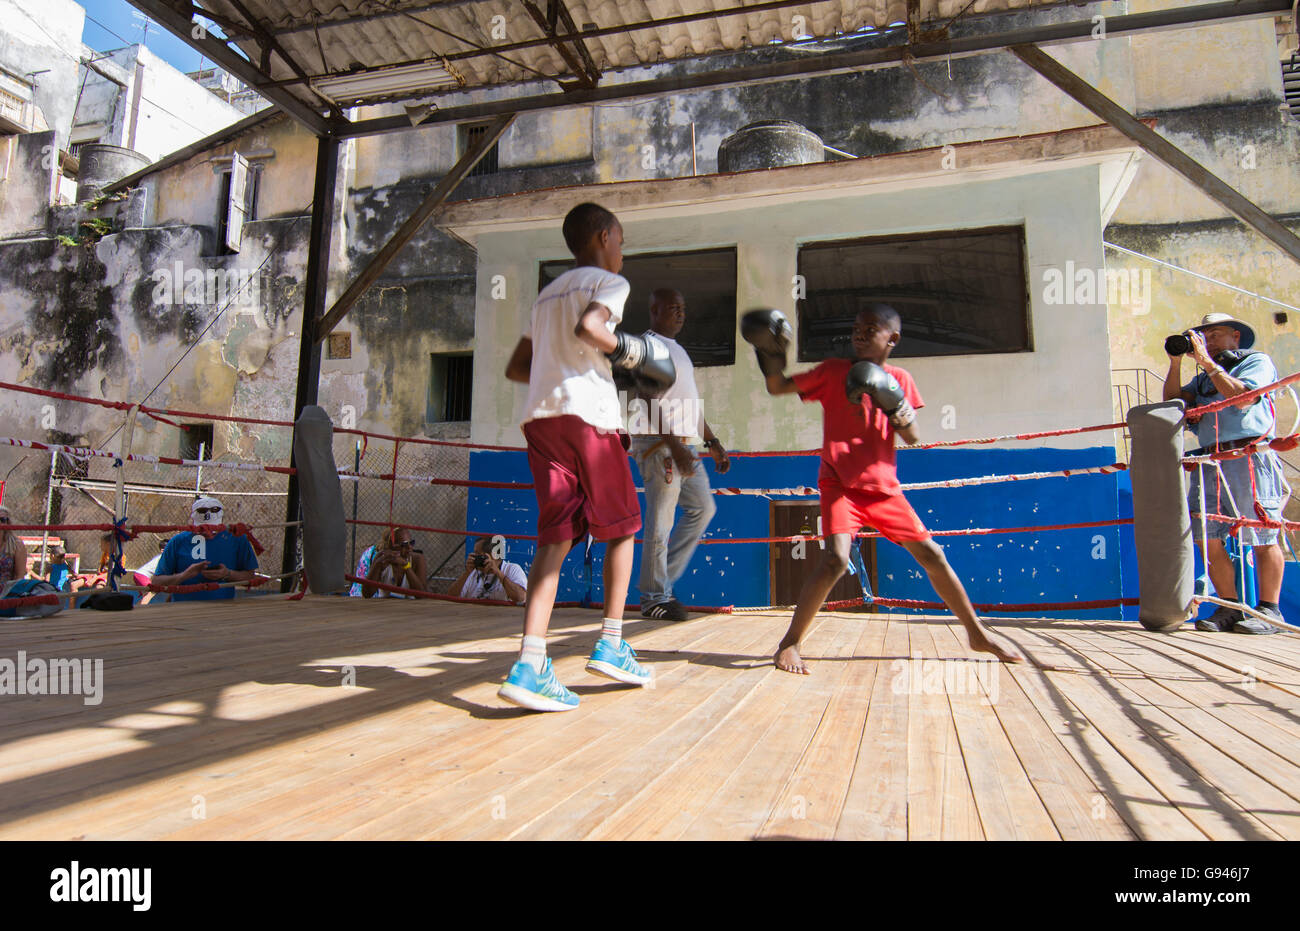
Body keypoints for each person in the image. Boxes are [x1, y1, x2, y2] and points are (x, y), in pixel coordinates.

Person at [745, 303, 1025, 674]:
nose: (859, 333)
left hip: (883, 488)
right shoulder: (832, 372)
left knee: (933, 555)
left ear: (892, 338)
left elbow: (912, 435)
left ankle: (977, 634)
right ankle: (790, 643)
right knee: (835, 559)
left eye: (871, 327)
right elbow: (777, 386)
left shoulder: (901, 379)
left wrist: (891, 399)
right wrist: (770, 352)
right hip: (839, 483)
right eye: (857, 326)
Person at [498, 201, 676, 711]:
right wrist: (631, 353)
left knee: (555, 537)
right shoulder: (609, 283)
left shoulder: (546, 294)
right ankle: (613, 642)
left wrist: (588, 366)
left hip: (542, 421)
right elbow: (592, 330)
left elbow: (519, 367)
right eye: (620, 240)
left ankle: (530, 662)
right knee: (622, 527)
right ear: (603, 236)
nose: (622, 252)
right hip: (589, 420)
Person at [1163, 312, 1284, 634]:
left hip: (1247, 454)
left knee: (1262, 530)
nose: (1209, 342)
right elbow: (1173, 403)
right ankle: (1228, 606)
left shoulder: (1255, 361)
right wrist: (1176, 363)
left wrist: (1205, 361)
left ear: (1236, 337)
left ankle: (1270, 611)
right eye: (1204, 338)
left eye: (1215, 335)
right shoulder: (1202, 377)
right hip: (1209, 458)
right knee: (1207, 534)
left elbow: (1241, 398)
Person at [629, 288, 729, 621]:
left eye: (683, 308)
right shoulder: (649, 346)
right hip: (660, 444)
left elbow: (690, 405)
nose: (681, 313)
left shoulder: (678, 351)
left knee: (703, 509)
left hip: (682, 445)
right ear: (654, 310)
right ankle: (654, 597)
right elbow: (645, 397)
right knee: (660, 523)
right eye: (673, 308)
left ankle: (659, 586)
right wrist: (674, 447)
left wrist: (712, 442)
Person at [150, 496, 259, 601]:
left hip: (223, 608)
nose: (208, 532)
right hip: (184, 608)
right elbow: (156, 582)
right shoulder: (178, 541)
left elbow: (250, 577)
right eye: (202, 528)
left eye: (212, 528)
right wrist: (184, 575)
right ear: (193, 521)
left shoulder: (237, 539)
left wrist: (227, 574)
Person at [350, 526, 429, 598]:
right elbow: (367, 594)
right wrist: (377, 565)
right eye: (404, 544)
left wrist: (406, 566)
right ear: (391, 547)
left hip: (411, 609)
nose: (409, 547)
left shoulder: (417, 559)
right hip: (384, 608)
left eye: (411, 543)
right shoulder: (382, 559)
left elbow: (422, 595)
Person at [450, 535, 528, 604]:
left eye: (478, 554)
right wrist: (466, 574)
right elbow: (451, 596)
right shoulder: (473, 573)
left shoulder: (511, 569)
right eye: (474, 554)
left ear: (492, 555)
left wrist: (498, 573)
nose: (475, 557)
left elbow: (521, 597)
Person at [0, 507, 28, 586]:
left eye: (2, 520)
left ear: (8, 523)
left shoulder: (16, 545)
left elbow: (20, 575)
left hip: (6, 593)